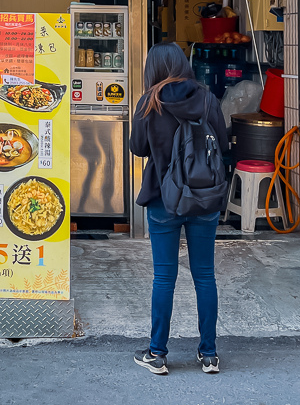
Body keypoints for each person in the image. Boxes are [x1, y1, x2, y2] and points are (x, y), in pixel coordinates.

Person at [128, 42, 226, 376]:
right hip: (203, 197)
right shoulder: (207, 98)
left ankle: (157, 354)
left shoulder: (150, 101)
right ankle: (209, 355)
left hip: (162, 199)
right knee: (204, 275)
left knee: (164, 276)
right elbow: (223, 145)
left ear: (152, 68)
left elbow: (137, 148)